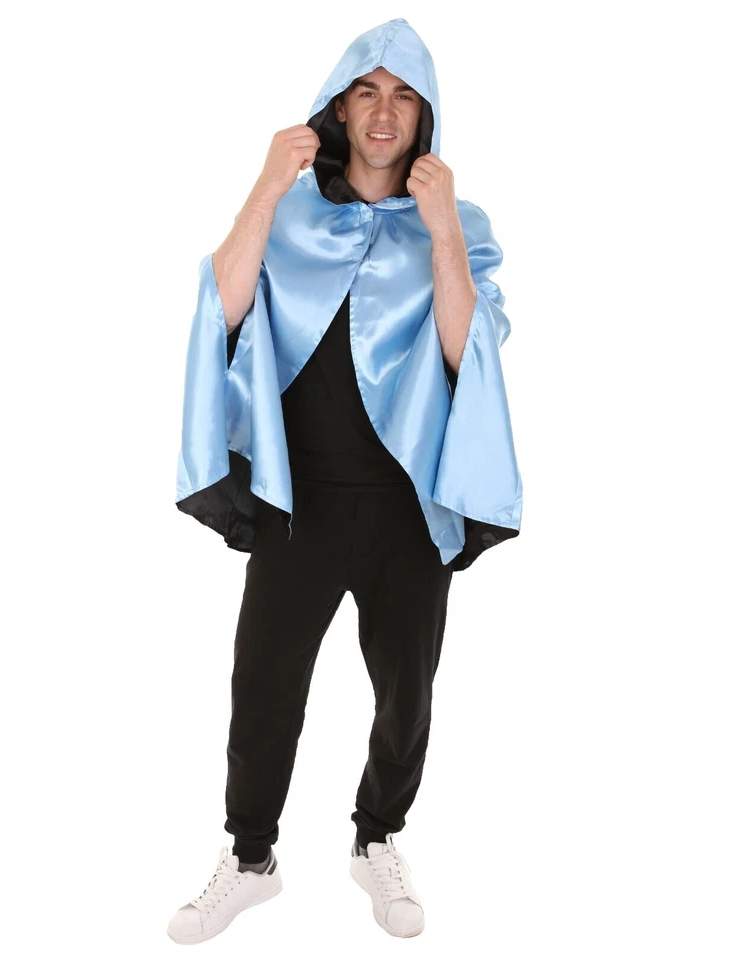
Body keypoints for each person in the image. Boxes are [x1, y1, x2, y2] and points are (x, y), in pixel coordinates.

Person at [167, 17, 523, 944]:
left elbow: (472, 354)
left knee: (407, 694)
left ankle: (377, 838)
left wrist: (442, 232)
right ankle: (250, 858)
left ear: (425, 116)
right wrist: (265, 185)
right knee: (263, 684)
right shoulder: (286, 215)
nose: (384, 111)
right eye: (367, 91)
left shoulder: (462, 226)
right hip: (302, 503)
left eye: (404, 95)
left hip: (408, 507)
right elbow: (221, 308)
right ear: (338, 106)